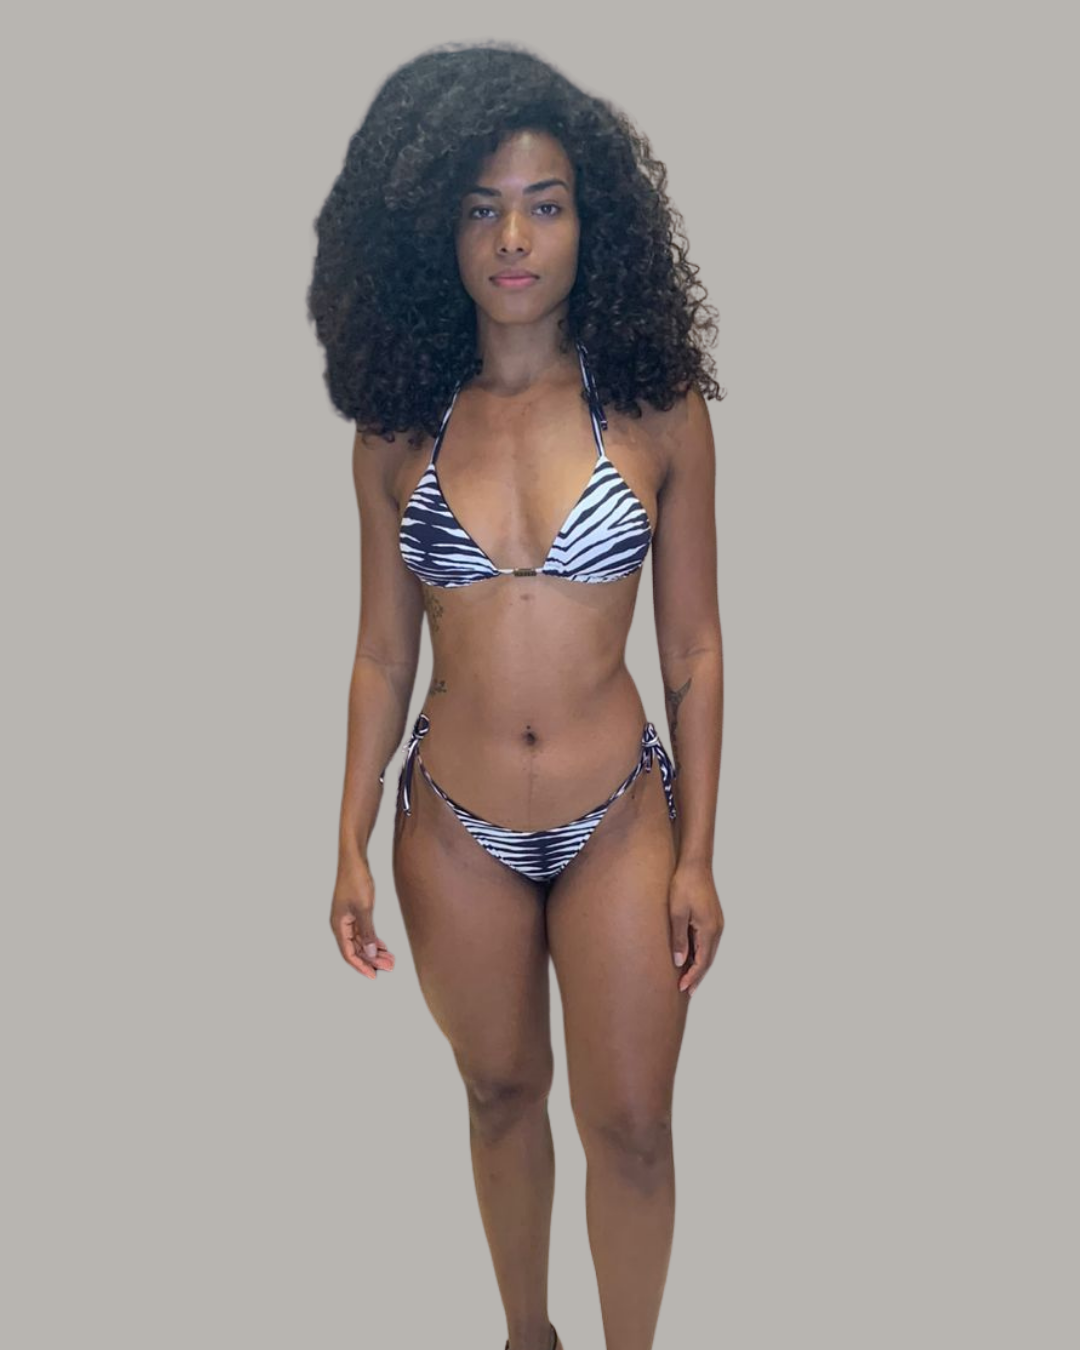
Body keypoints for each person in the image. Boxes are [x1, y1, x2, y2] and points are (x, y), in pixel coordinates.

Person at [307, 41, 727, 1350]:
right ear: (434, 229)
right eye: (482, 208)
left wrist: (700, 856)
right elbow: (383, 655)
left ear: (593, 223)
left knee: (634, 1127)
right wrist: (347, 833)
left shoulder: (657, 411)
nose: (512, 237)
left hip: (621, 819)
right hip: (453, 825)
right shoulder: (396, 431)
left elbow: (695, 650)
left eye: (545, 204)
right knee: (499, 1095)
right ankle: (527, 1336)